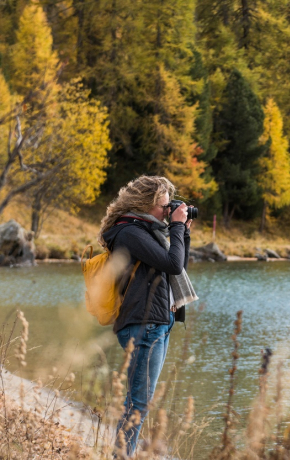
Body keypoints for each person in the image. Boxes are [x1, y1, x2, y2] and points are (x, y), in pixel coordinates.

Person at [97, 175, 198, 456]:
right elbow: (172, 264)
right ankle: (121, 455)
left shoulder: (147, 231)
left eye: (169, 206)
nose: (168, 211)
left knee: (140, 401)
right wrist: (175, 225)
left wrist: (183, 231)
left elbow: (176, 266)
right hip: (144, 325)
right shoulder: (131, 232)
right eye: (164, 206)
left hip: (158, 323)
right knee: (138, 404)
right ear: (145, 204)